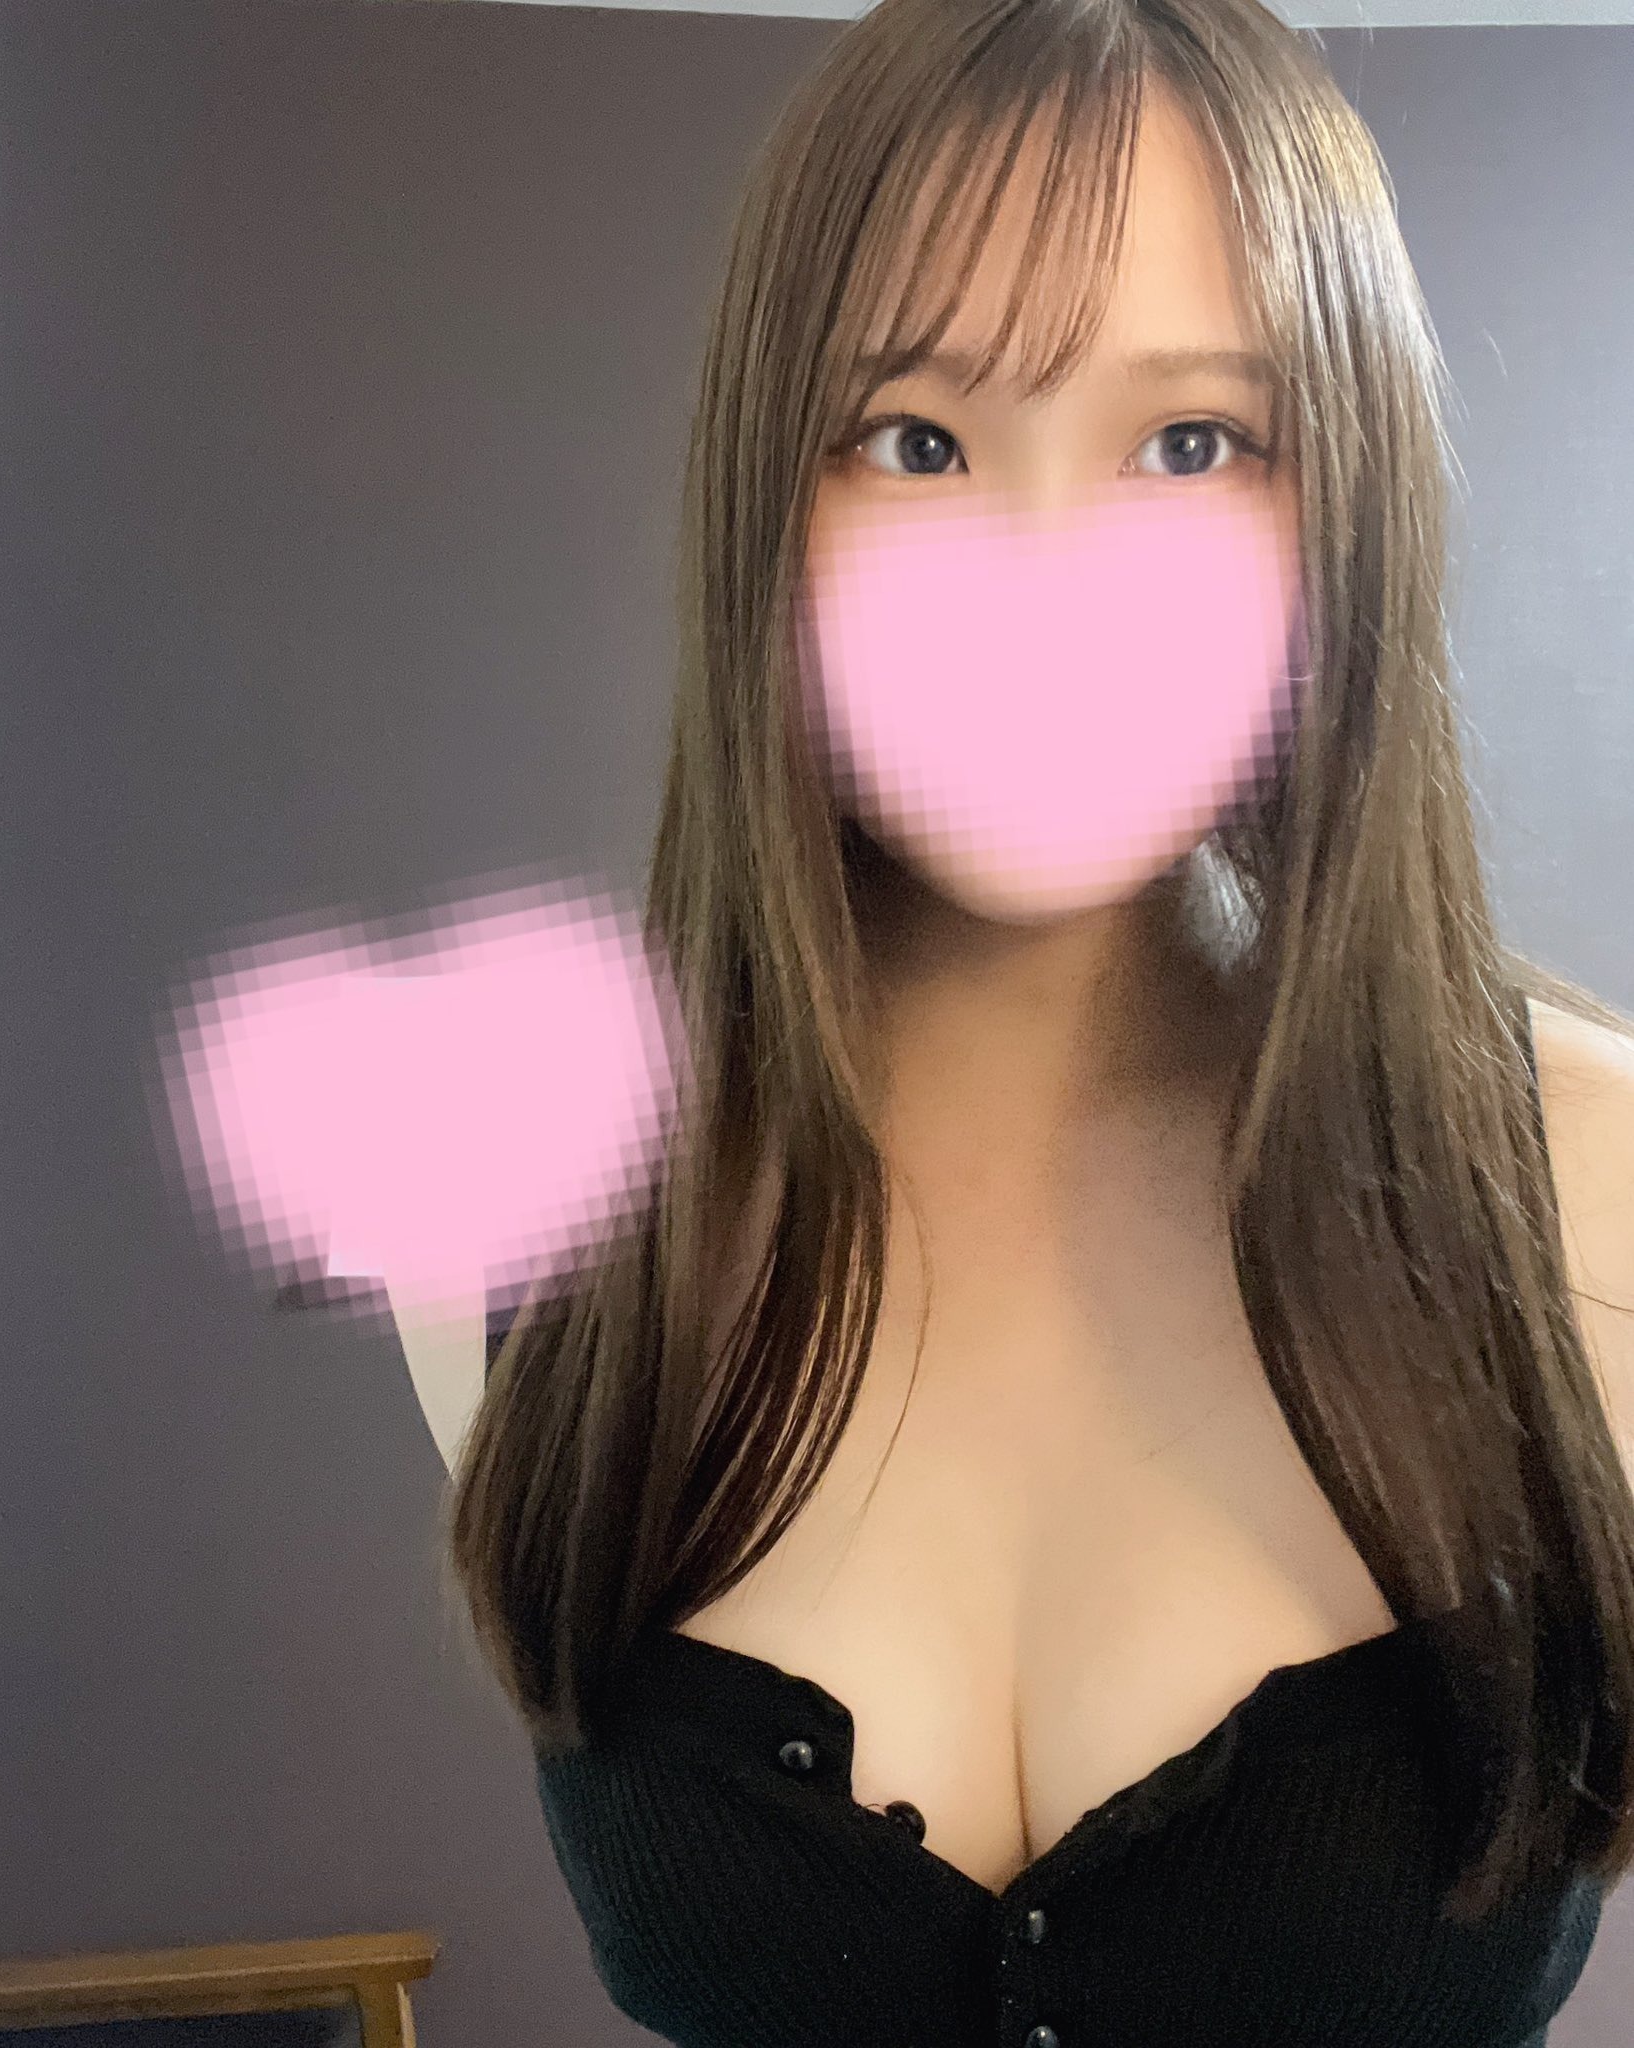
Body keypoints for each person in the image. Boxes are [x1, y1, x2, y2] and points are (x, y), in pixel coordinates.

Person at [396, 0, 1634, 2040]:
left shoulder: (1594, 1195)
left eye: (1191, 442)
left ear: (1346, 509)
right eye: (916, 439)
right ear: (766, 504)